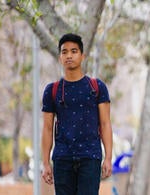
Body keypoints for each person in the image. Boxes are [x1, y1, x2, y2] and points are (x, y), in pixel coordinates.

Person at [41, 33, 113, 195]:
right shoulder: (52, 90)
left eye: (74, 51)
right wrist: (45, 163)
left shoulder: (97, 87)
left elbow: (105, 123)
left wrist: (108, 157)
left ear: (82, 56)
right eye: (64, 52)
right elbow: (47, 128)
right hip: (62, 159)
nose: (69, 56)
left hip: (90, 157)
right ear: (60, 57)